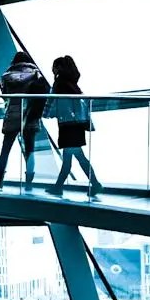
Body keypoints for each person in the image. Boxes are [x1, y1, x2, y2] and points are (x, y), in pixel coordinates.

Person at [0, 50, 49, 188]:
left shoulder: (7, 76)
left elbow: (5, 96)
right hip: (30, 114)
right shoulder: (35, 75)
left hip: (12, 115)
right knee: (30, 149)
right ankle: (28, 182)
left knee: (6, 148)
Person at [44, 55, 102, 195]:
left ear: (59, 67)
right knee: (72, 156)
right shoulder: (72, 84)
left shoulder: (60, 84)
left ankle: (94, 183)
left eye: (55, 66)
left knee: (74, 156)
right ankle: (91, 184)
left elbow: (54, 105)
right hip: (76, 125)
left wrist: (47, 113)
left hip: (67, 125)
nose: (52, 69)